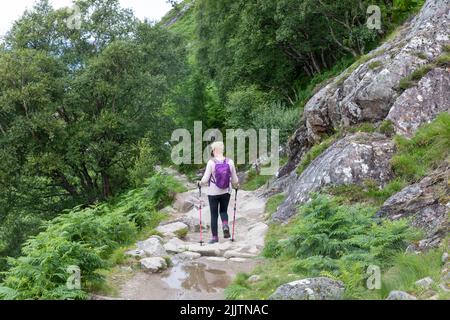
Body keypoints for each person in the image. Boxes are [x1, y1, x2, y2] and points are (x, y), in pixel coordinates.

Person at [198, 141, 239, 244]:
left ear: (215, 150)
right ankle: (225, 225)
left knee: (214, 214)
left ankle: (215, 238)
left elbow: (205, 179)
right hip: (226, 191)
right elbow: (235, 180)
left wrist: (200, 183)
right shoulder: (230, 162)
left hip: (213, 192)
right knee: (223, 211)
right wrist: (236, 186)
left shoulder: (211, 162)